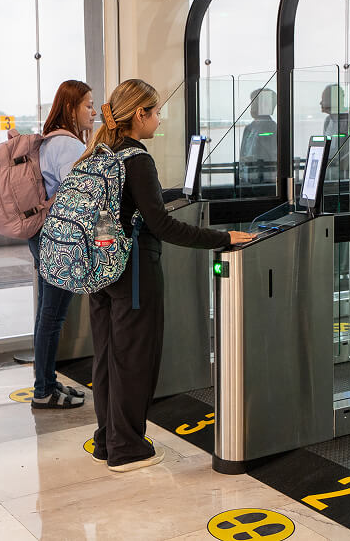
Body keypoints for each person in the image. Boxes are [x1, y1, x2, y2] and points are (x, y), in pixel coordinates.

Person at [84, 79, 255, 473]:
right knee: (134, 358)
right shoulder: (138, 160)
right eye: (155, 112)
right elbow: (162, 225)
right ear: (139, 115)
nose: (159, 120)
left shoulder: (101, 152)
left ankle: (108, 439)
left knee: (109, 355)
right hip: (134, 271)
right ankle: (127, 447)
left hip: (100, 267)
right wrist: (223, 237)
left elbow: (132, 206)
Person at [27, 80, 96, 409]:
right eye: (88, 105)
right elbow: (79, 192)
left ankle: (48, 382)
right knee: (52, 316)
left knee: (47, 313)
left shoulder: (49, 140)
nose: (93, 111)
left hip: (42, 233)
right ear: (71, 109)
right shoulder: (67, 145)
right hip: (58, 236)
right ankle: (43, 390)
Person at [239, 88, 277, 186]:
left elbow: (272, 154)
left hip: (265, 180)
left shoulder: (271, 127)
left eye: (254, 104)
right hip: (248, 178)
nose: (251, 107)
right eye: (252, 103)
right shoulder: (249, 128)